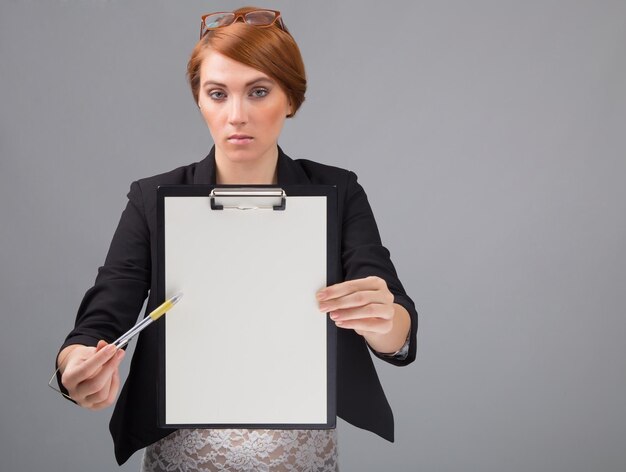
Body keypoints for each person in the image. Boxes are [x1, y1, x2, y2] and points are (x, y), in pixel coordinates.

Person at [53, 7, 417, 471]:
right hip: (184, 456)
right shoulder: (152, 198)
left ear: (291, 99)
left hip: (301, 458)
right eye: (218, 94)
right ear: (199, 100)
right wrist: (75, 367)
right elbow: (99, 323)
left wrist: (382, 319)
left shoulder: (339, 191)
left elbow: (396, 326)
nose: (236, 115)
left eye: (259, 91)